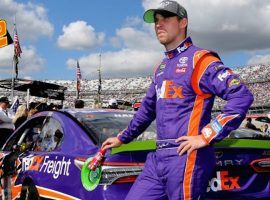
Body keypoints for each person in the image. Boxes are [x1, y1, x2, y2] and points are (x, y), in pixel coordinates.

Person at [101, 1, 254, 199]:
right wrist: (123, 137)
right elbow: (147, 110)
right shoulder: (161, 68)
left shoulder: (200, 59)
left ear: (183, 22)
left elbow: (241, 96)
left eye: (165, 18)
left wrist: (206, 135)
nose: (158, 24)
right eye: (156, 20)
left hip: (186, 156)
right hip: (158, 158)